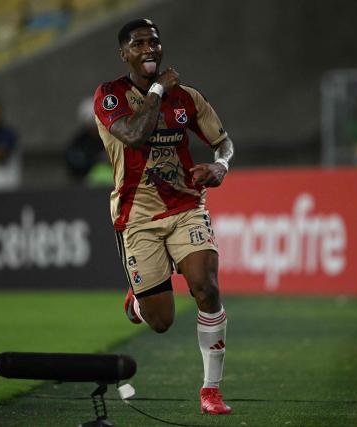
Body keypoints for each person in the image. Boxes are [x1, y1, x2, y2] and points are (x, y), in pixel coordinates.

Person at [93, 19, 234, 415]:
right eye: (138, 44)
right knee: (160, 321)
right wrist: (157, 90)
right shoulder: (110, 96)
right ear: (125, 54)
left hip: (187, 207)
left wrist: (221, 166)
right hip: (137, 217)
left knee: (206, 288)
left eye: (154, 42)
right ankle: (138, 304)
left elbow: (224, 143)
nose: (149, 49)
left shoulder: (187, 98)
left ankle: (211, 391)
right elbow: (136, 134)